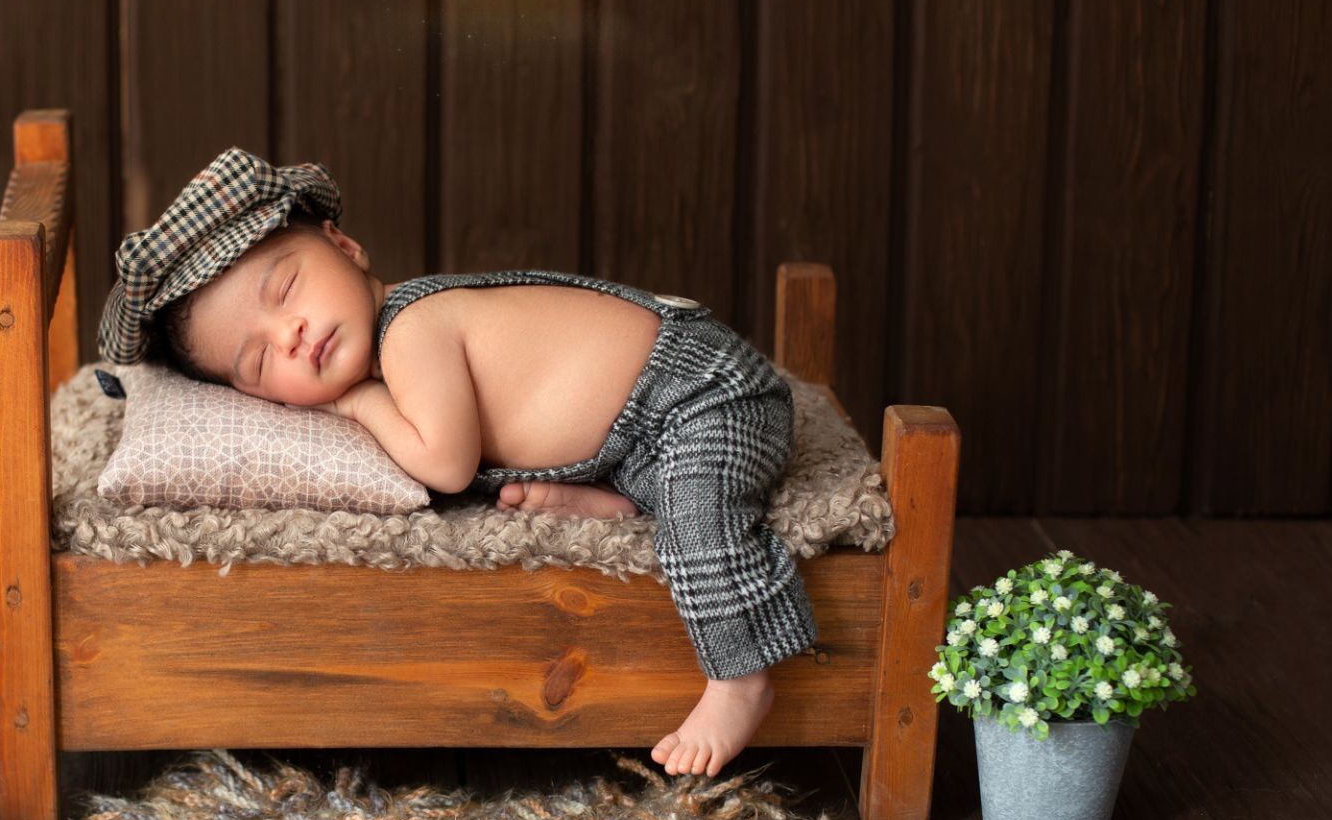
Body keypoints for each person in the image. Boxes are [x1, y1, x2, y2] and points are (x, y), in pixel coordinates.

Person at [97, 147, 815, 779]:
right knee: (674, 491)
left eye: (285, 290)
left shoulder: (414, 328)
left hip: (703, 394)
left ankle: (741, 678)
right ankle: (616, 499)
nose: (289, 335)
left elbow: (444, 464)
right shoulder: (389, 343)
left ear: (344, 247)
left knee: (702, 521)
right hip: (633, 443)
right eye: (256, 361)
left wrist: (358, 408)